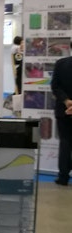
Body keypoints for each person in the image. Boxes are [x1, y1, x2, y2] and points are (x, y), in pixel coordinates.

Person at [51, 43, 72, 186]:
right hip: (66, 109)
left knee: (65, 142)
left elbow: (55, 86)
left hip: (63, 110)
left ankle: (63, 177)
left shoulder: (60, 63)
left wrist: (66, 101)